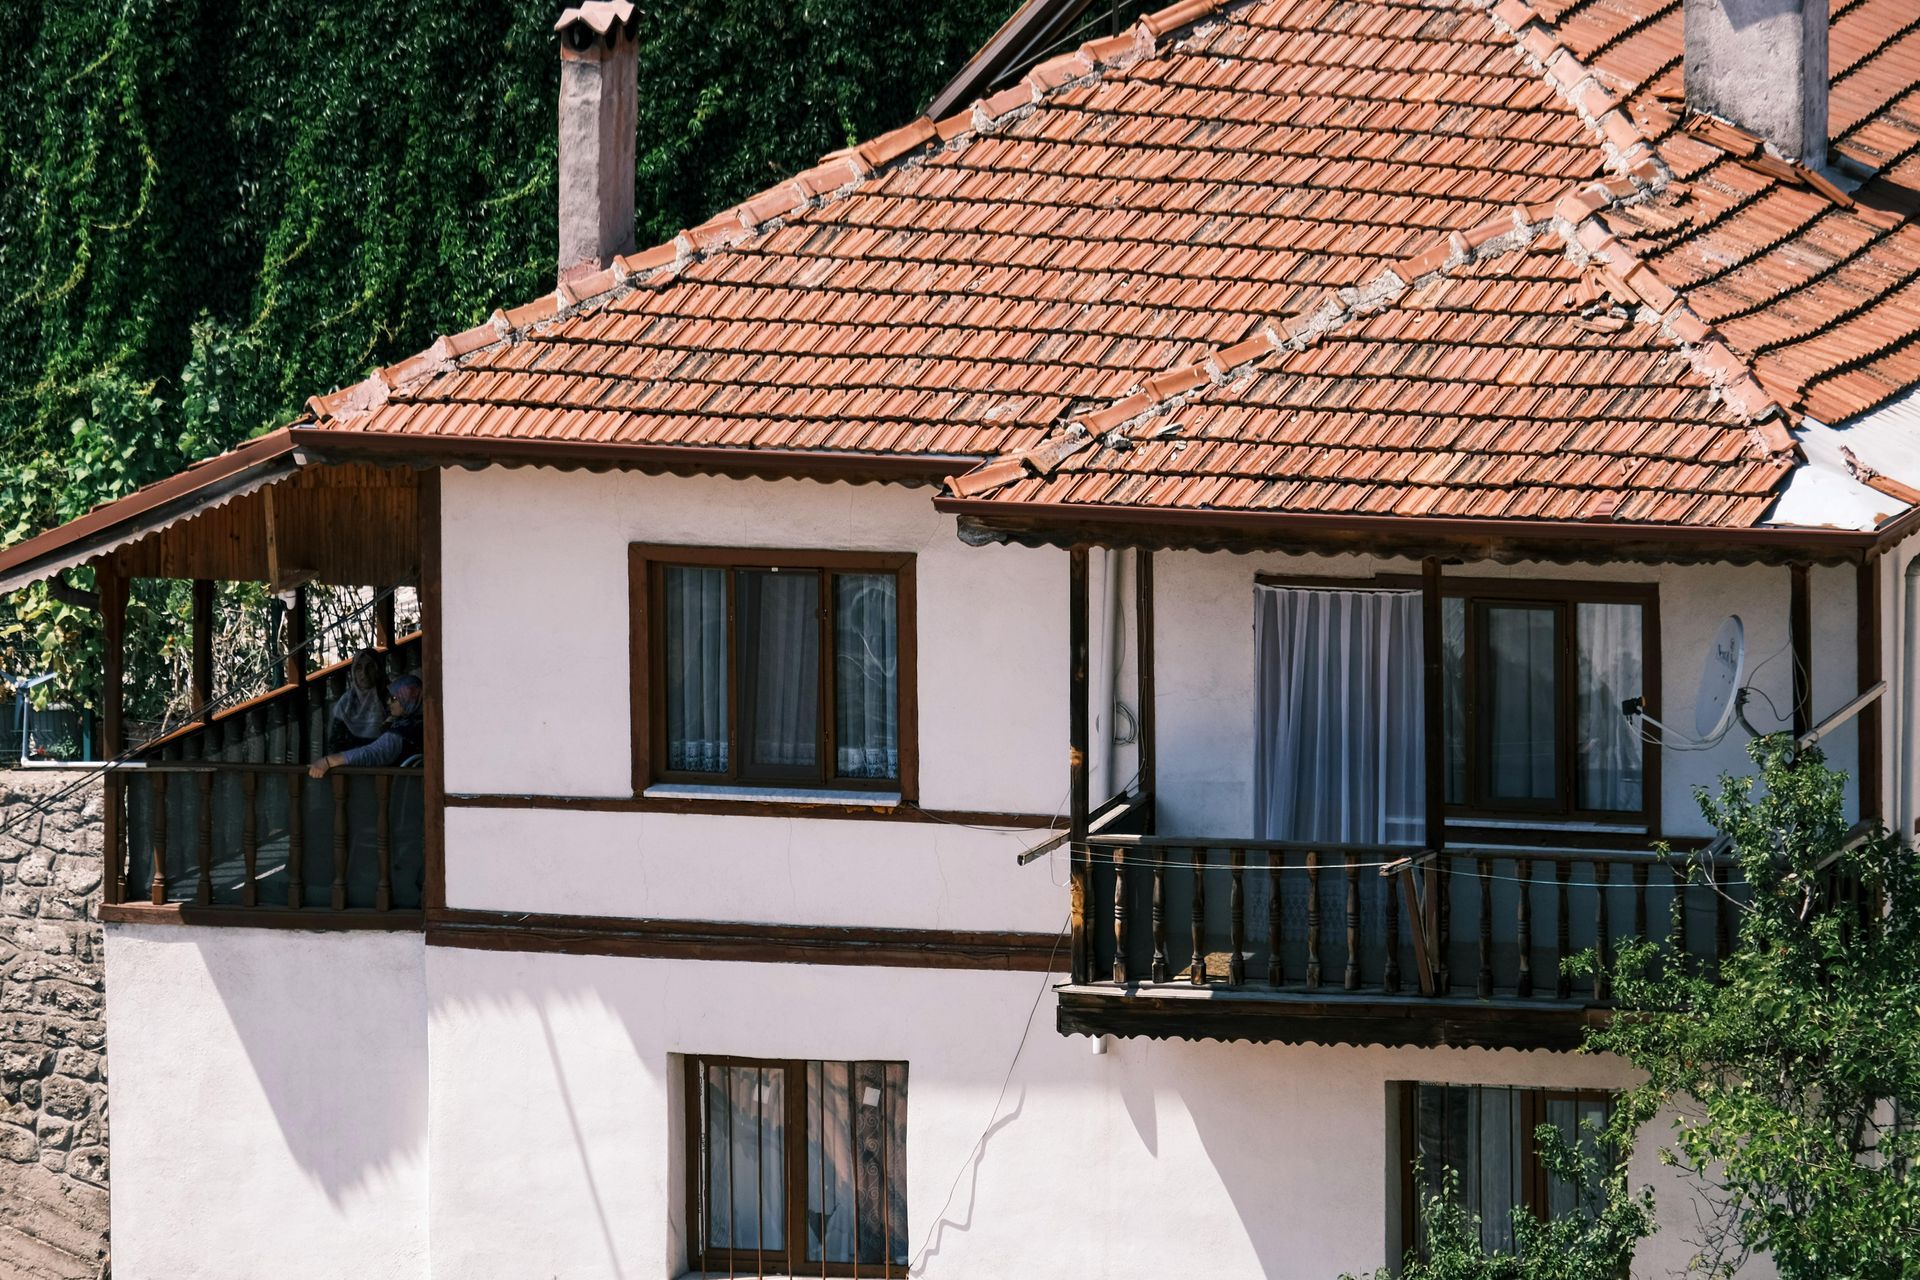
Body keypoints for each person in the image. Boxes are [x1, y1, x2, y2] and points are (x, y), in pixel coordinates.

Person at [310, 675, 423, 777]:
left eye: (394, 698)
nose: (389, 702)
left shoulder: (402, 732)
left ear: (408, 699)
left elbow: (372, 753)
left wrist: (329, 761)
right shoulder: (416, 722)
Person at [327, 648, 389, 752]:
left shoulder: (391, 699)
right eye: (359, 668)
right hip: (349, 764)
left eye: (370, 667)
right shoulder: (346, 703)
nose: (364, 673)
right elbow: (335, 745)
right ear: (353, 672)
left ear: (378, 670)